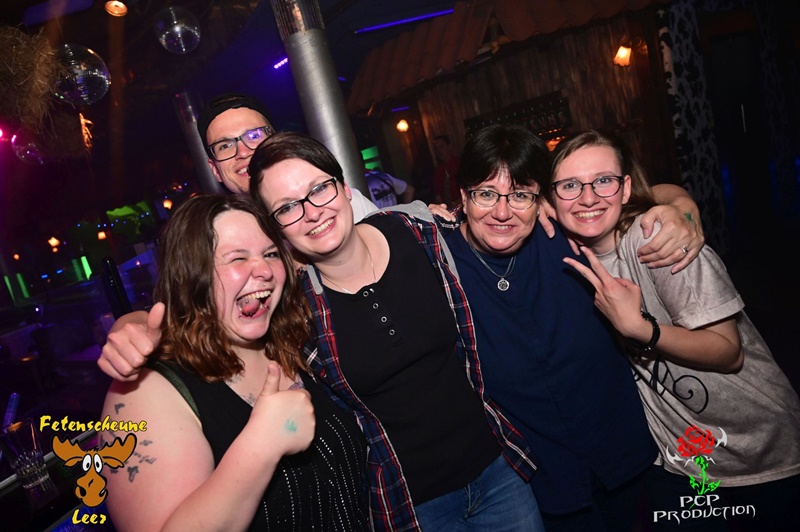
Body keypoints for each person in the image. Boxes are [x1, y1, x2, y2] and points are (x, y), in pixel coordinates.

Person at [100, 132, 545, 531]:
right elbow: (197, 312)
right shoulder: (294, 305)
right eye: (287, 208)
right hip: (413, 506)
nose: (311, 212)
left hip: (499, 471)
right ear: (280, 229)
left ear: (345, 188)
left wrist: (546, 206)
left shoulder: (418, 231)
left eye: (318, 189)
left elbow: (492, 220)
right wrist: (133, 326)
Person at [431, 123, 703, 531]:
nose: (502, 212)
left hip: (626, 454)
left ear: (540, 197)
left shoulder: (565, 229)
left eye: (520, 195)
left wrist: (681, 207)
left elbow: (640, 194)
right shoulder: (439, 258)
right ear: (463, 196)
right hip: (545, 480)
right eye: (486, 194)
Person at [549, 129, 800, 531]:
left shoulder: (658, 241)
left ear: (625, 187)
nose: (588, 197)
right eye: (570, 185)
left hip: (760, 446)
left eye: (603, 180)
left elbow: (728, 351)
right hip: (681, 458)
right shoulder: (564, 252)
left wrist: (642, 329)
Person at [100, 194, 369, 531]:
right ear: (190, 275)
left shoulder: (294, 343)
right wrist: (262, 444)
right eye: (237, 258)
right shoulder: (144, 393)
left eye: (271, 254)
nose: (265, 270)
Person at [196, 92, 378, 220]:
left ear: (277, 141)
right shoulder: (220, 244)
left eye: (253, 135)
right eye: (225, 146)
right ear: (215, 170)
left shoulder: (341, 207)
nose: (243, 152)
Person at [431, 134, 461, 207]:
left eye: (441, 147)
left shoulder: (459, 164)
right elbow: (438, 196)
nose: (439, 151)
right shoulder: (438, 171)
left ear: (449, 146)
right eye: (436, 149)